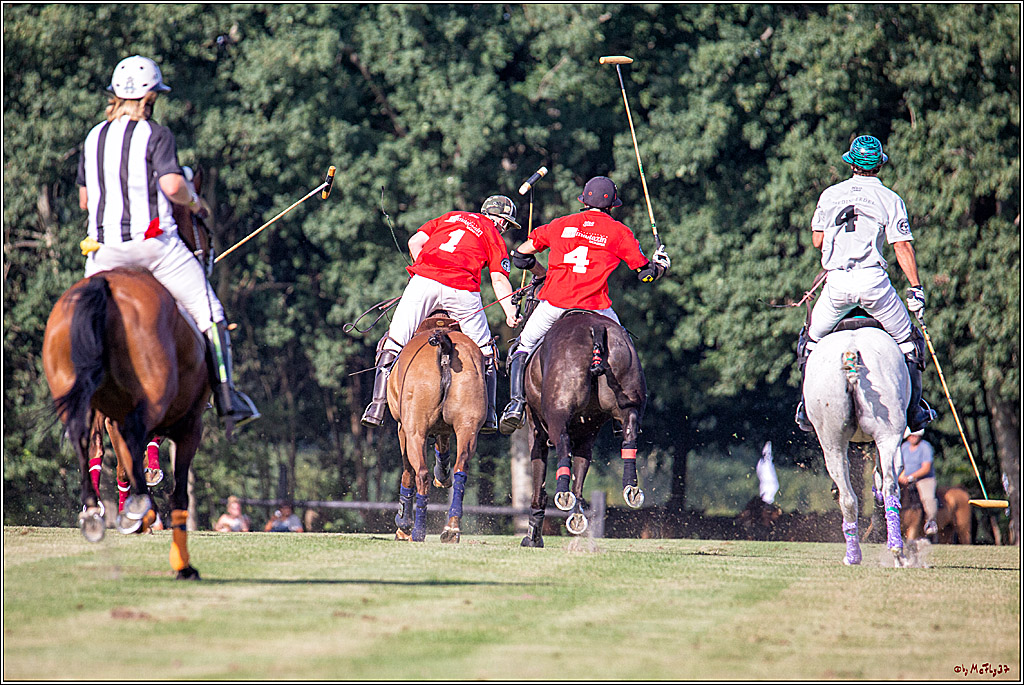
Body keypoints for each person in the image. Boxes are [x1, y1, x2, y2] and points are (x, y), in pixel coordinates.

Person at [77, 55, 258, 435]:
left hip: (103, 252)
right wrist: (195, 202)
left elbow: (84, 200)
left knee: (81, 317)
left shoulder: (93, 137)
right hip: (153, 248)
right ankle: (227, 397)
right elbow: (173, 186)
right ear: (148, 98)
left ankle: (77, 398)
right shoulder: (156, 134)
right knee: (212, 313)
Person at [498, 176, 671, 434]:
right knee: (625, 348)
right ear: (612, 205)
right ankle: (622, 414)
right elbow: (643, 274)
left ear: (583, 200)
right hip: (596, 307)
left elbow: (521, 256)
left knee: (522, 347)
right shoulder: (619, 232)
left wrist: (542, 273)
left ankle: (515, 404)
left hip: (555, 304)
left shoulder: (560, 224)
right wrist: (660, 266)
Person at [794, 135, 936, 433]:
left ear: (852, 163)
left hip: (837, 286)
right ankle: (915, 411)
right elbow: (902, 247)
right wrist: (916, 288)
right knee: (909, 342)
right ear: (879, 165)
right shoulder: (889, 198)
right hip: (874, 285)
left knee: (809, 342)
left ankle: (806, 409)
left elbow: (817, 239)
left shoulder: (830, 194)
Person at [360, 196, 522, 432]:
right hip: (461, 288)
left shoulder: (449, 217)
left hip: (424, 281)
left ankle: (376, 407)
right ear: (498, 220)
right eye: (506, 224)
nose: (504, 228)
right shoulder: (493, 234)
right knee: (486, 350)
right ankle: (488, 414)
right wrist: (510, 312)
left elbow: (415, 242)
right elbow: (498, 278)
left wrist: (425, 267)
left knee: (394, 341)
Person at [899, 429, 939, 535]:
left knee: (928, 498)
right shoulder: (904, 447)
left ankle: (931, 521)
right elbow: (901, 465)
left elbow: (926, 468)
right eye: (911, 435)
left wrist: (911, 476)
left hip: (924, 479)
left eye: (915, 435)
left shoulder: (925, 447)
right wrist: (901, 476)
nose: (913, 437)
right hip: (907, 479)